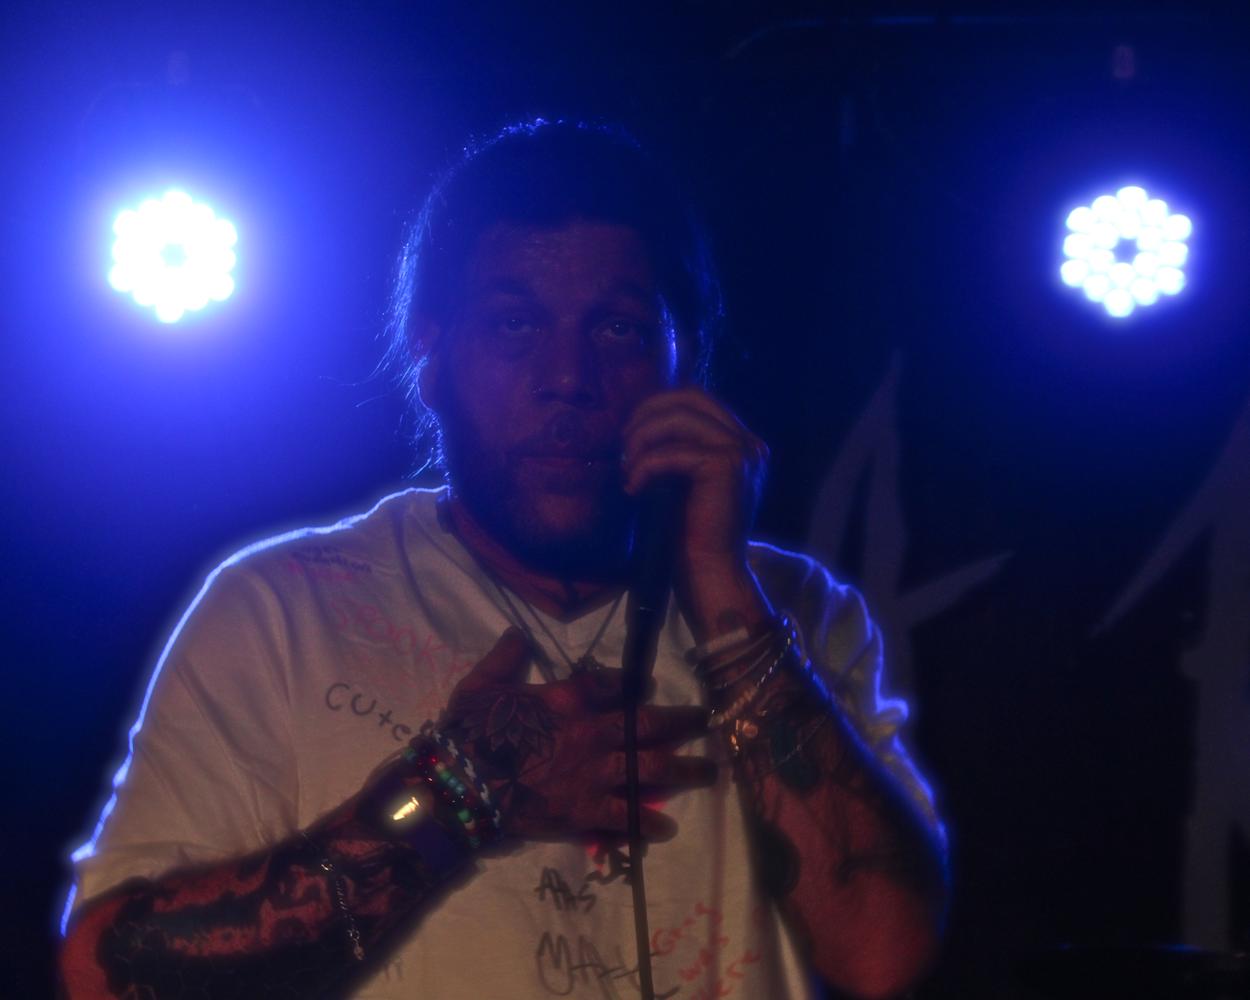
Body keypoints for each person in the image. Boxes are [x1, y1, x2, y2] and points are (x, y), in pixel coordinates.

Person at [60, 119, 948, 1000]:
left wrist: (723, 592)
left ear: (685, 361)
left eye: (618, 329)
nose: (568, 378)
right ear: (429, 357)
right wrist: (453, 794)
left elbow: (884, 954)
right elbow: (105, 975)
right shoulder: (282, 607)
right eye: (515, 324)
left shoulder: (792, 604)